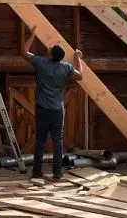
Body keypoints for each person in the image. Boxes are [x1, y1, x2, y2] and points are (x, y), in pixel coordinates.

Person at [23, 31, 83, 181]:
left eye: (49, 49)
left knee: (40, 141)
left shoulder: (41, 63)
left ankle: (37, 171)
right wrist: (78, 59)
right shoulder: (66, 67)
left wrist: (31, 35)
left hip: (43, 109)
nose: (47, 48)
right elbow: (80, 76)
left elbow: (24, 51)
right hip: (57, 110)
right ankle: (57, 173)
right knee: (57, 141)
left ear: (50, 56)